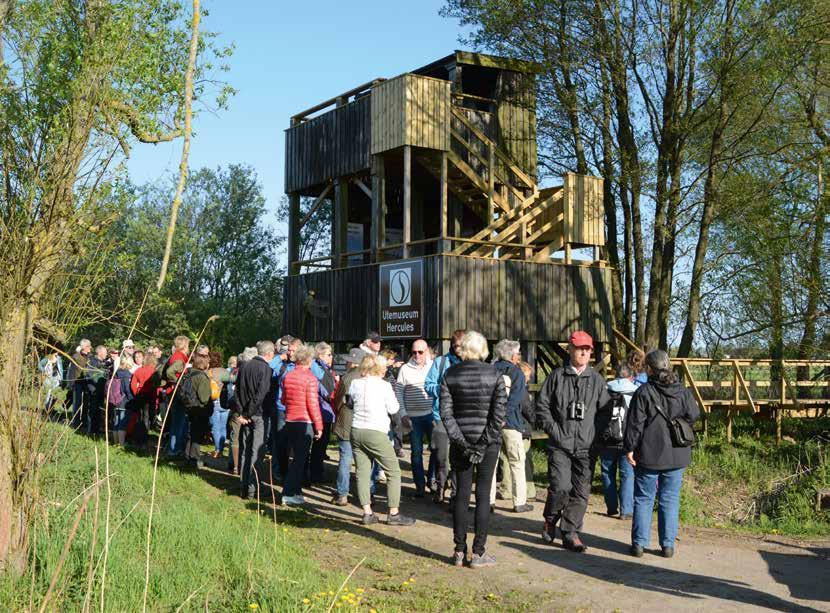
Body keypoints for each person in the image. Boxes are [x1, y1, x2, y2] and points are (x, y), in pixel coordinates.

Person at [536, 330, 611, 553]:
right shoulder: (556, 377)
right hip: (560, 444)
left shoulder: (597, 381)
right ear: (570, 349)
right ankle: (550, 519)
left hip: (586, 448)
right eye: (580, 348)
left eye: (587, 349)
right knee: (561, 487)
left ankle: (570, 532)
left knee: (580, 493)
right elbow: (542, 407)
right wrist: (555, 432)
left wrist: (595, 437)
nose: (584, 353)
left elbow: (605, 413)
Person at [440, 330, 506, 568]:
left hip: (461, 443)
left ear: (463, 349)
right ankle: (478, 553)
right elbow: (498, 417)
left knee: (460, 496)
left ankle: (459, 551)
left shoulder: (450, 374)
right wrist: (480, 444)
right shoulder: (495, 375)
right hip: (487, 444)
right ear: (483, 350)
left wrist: (464, 444)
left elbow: (446, 415)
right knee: (483, 495)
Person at [625, 349, 700, 558]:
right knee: (670, 499)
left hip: (649, 454)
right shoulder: (683, 392)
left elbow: (634, 425)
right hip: (677, 455)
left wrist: (629, 448)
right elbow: (694, 415)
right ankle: (667, 546)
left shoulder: (643, 392)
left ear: (649, 368)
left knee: (643, 498)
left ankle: (639, 544)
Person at [349, 354, 415, 526]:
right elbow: (394, 408)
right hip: (376, 431)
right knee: (393, 471)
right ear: (378, 368)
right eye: (384, 366)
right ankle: (393, 513)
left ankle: (367, 512)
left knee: (362, 472)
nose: (387, 368)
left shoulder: (355, 383)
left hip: (356, 430)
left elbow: (349, 402)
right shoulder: (384, 386)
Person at [491, 340, 533, 513]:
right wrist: (504, 415)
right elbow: (516, 399)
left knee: (491, 464)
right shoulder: (517, 373)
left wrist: (495, 416)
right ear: (513, 355)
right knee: (517, 462)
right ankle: (519, 502)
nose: (519, 356)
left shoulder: (490, 368)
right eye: (518, 353)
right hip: (511, 423)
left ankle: (489, 501)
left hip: (491, 422)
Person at [424, 329, 465, 503]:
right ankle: (440, 488)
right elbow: (428, 385)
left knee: (458, 457)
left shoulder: (470, 363)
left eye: (462, 346)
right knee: (441, 457)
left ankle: (455, 494)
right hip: (440, 416)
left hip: (461, 417)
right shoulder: (441, 362)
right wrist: (442, 388)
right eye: (456, 346)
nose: (459, 349)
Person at [281, 344, 324, 505]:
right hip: (304, 421)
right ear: (309, 360)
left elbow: (283, 400)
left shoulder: (288, 375)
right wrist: (319, 427)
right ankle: (288, 493)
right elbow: (313, 405)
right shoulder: (311, 378)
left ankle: (296, 491)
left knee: (298, 458)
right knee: (300, 460)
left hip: (290, 420)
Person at [594, 363, 638, 519]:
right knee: (627, 475)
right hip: (627, 440)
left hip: (607, 439)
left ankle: (611, 507)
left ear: (615, 374)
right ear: (631, 377)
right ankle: (626, 511)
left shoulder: (605, 389)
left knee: (607, 473)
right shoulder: (635, 392)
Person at [236, 341, 276, 499]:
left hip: (246, 413)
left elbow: (237, 390)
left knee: (246, 450)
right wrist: (247, 413)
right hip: (258, 414)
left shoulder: (244, 366)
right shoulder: (266, 368)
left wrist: (242, 411)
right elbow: (261, 394)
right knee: (256, 451)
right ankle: (253, 488)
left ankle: (243, 485)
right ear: (270, 353)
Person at [395, 339, 434, 496]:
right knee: (416, 453)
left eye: (420, 352)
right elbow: (398, 392)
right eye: (414, 352)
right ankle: (419, 486)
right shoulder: (404, 369)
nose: (417, 355)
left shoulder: (433, 367)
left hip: (431, 415)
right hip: (413, 417)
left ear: (427, 352)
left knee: (437, 450)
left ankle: (432, 480)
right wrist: (403, 414)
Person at [331, 347, 367, 505]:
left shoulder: (347, 378)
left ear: (351, 362)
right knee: (364, 461)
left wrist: (337, 410)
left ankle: (342, 494)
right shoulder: (369, 377)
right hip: (364, 422)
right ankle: (367, 494)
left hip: (347, 422)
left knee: (345, 459)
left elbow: (338, 400)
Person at [271, 337, 302, 481]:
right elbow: (269, 367)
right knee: (281, 442)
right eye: (289, 350)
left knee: (297, 444)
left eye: (293, 350)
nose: (290, 353)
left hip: (298, 409)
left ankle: (297, 474)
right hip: (281, 408)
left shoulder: (305, 366)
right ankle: (280, 471)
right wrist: (280, 357)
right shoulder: (283, 365)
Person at [308, 342, 337, 484]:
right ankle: (316, 474)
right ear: (320, 355)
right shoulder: (317, 368)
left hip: (323, 410)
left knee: (320, 445)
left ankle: (316, 471)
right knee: (319, 444)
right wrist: (334, 393)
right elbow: (325, 390)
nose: (331, 357)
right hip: (321, 410)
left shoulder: (322, 368)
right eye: (329, 354)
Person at [181, 353, 213, 468]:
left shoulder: (189, 373)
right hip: (199, 409)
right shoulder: (202, 377)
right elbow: (204, 398)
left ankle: (187, 456)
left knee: (191, 433)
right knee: (197, 436)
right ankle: (194, 460)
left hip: (189, 407)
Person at [164, 335, 191, 457]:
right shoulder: (179, 357)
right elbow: (169, 372)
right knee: (178, 423)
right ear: (184, 345)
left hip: (174, 392)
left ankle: (174, 448)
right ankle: (173, 450)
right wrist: (178, 382)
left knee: (178, 422)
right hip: (176, 393)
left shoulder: (178, 356)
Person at [517, 361, 538, 503]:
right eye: (527, 375)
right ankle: (528, 491)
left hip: (519, 427)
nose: (528, 379)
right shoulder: (522, 390)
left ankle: (524, 490)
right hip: (522, 427)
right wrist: (535, 419)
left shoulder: (517, 387)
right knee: (524, 461)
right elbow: (526, 408)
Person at [130, 353, 160, 449]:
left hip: (140, 395)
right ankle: (144, 440)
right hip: (149, 396)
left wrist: (136, 393)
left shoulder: (138, 370)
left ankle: (137, 439)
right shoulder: (153, 371)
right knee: (146, 417)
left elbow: (133, 384)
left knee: (139, 417)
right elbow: (156, 387)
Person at [208, 351, 233, 459]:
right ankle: (221, 449)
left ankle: (218, 450)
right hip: (225, 402)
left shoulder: (209, 372)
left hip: (214, 401)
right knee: (223, 426)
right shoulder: (225, 371)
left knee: (215, 427)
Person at [68, 339, 92, 429]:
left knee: (86, 403)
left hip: (87, 383)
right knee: (77, 403)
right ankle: (76, 423)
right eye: (89, 346)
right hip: (77, 383)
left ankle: (84, 422)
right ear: (84, 347)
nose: (90, 348)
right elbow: (71, 371)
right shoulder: (75, 357)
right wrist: (71, 384)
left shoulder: (90, 357)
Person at [110, 357, 135, 446]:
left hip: (115, 400)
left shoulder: (116, 373)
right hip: (124, 401)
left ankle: (115, 442)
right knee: (123, 423)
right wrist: (132, 399)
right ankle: (122, 443)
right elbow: (127, 390)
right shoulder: (126, 375)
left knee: (116, 422)